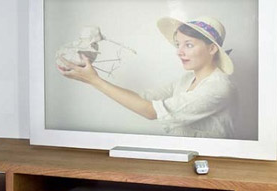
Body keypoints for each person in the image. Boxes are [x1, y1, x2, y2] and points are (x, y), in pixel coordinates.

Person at [57, 16, 237, 138]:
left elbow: (151, 111)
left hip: (210, 167)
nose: (179, 52)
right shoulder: (186, 80)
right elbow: (143, 99)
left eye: (188, 45)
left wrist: (94, 80)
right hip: (183, 161)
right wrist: (91, 79)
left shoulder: (218, 87)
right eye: (178, 44)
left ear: (212, 48)